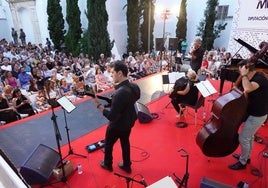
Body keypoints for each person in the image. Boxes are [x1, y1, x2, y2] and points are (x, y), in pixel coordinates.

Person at [92, 61, 140, 174]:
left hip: (117, 124)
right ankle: (127, 165)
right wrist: (113, 102)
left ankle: (108, 164)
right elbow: (132, 99)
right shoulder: (134, 86)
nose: (111, 74)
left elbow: (112, 116)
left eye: (113, 72)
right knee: (125, 142)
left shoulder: (120, 93)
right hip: (129, 121)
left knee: (108, 144)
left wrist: (97, 104)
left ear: (120, 73)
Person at [229, 59, 268, 170]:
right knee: (249, 137)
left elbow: (247, 88)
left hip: (258, 115)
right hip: (253, 113)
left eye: (240, 71)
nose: (240, 74)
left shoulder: (259, 80)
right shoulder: (252, 78)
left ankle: (243, 162)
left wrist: (244, 75)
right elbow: (247, 94)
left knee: (243, 137)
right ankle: (246, 157)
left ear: (246, 70)